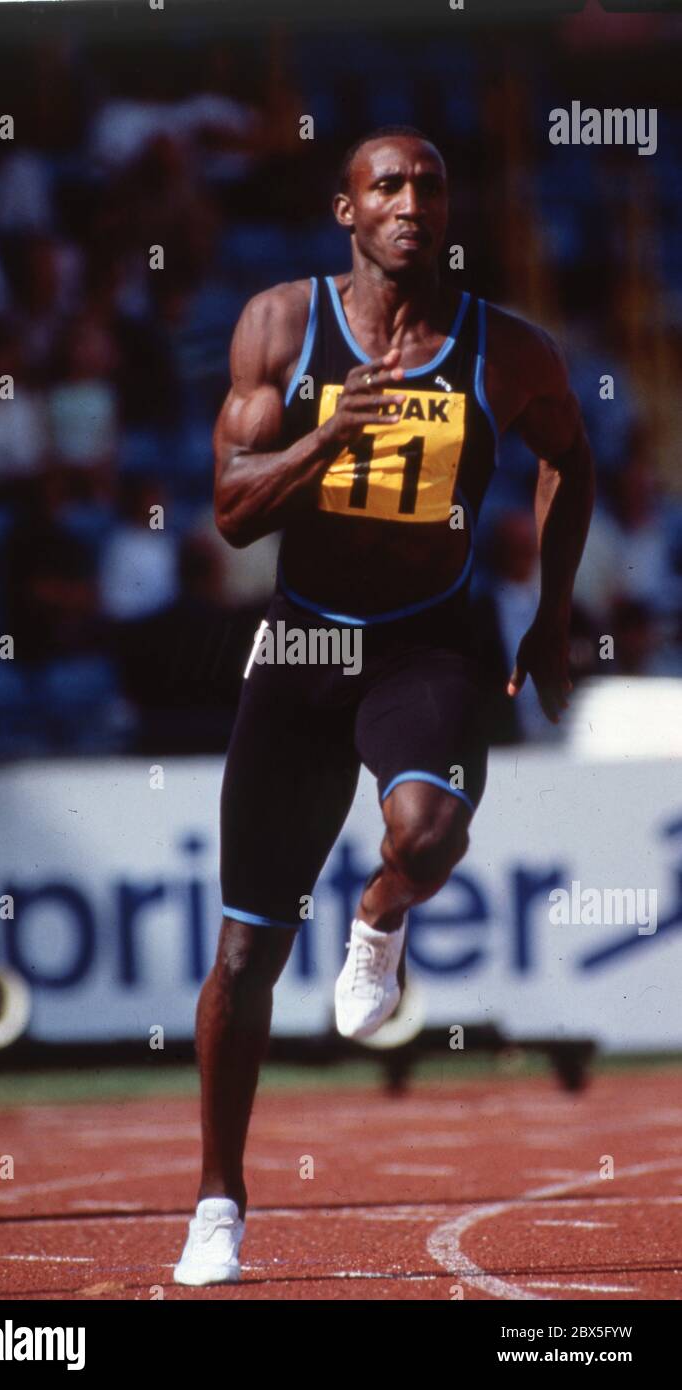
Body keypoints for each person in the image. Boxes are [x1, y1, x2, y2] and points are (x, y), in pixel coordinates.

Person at [174, 125, 595, 1286]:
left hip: (431, 642)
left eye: (432, 186)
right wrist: (329, 436)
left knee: (424, 829)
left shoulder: (500, 348)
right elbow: (230, 511)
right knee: (246, 949)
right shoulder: (278, 325)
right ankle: (219, 1197)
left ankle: (380, 914)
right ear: (345, 211)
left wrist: (550, 613)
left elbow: (572, 451)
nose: (412, 203)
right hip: (305, 641)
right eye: (388, 186)